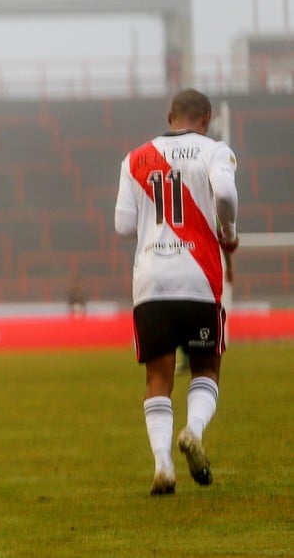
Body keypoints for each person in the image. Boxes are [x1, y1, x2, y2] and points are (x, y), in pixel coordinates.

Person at [114, 88, 239, 496]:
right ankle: (193, 430)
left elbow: (123, 226)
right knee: (205, 369)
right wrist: (228, 232)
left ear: (170, 116)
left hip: (151, 281)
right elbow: (224, 194)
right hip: (198, 279)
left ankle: (163, 463)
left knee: (158, 378)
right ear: (206, 119)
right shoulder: (215, 151)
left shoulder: (134, 159)